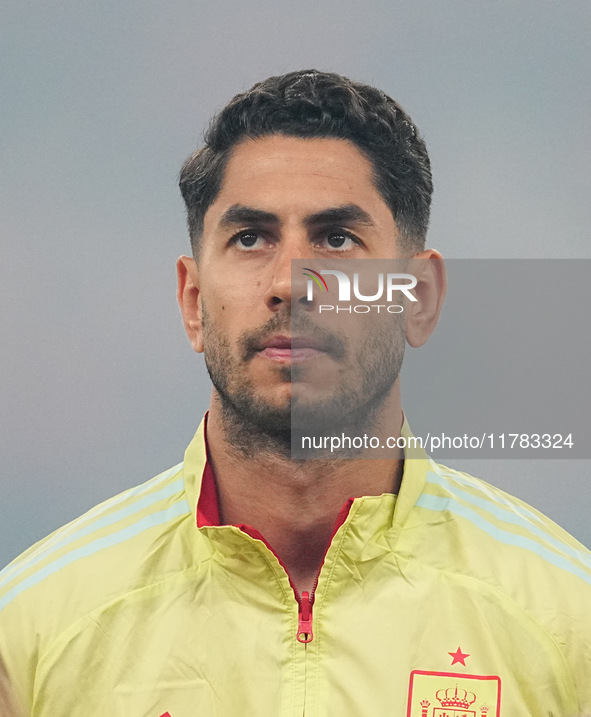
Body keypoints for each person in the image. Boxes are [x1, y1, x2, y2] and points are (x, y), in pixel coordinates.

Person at [0, 70, 590, 717]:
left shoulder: (567, 620)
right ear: (193, 301)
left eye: (336, 239)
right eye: (249, 238)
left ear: (418, 299)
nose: (290, 281)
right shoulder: (31, 631)